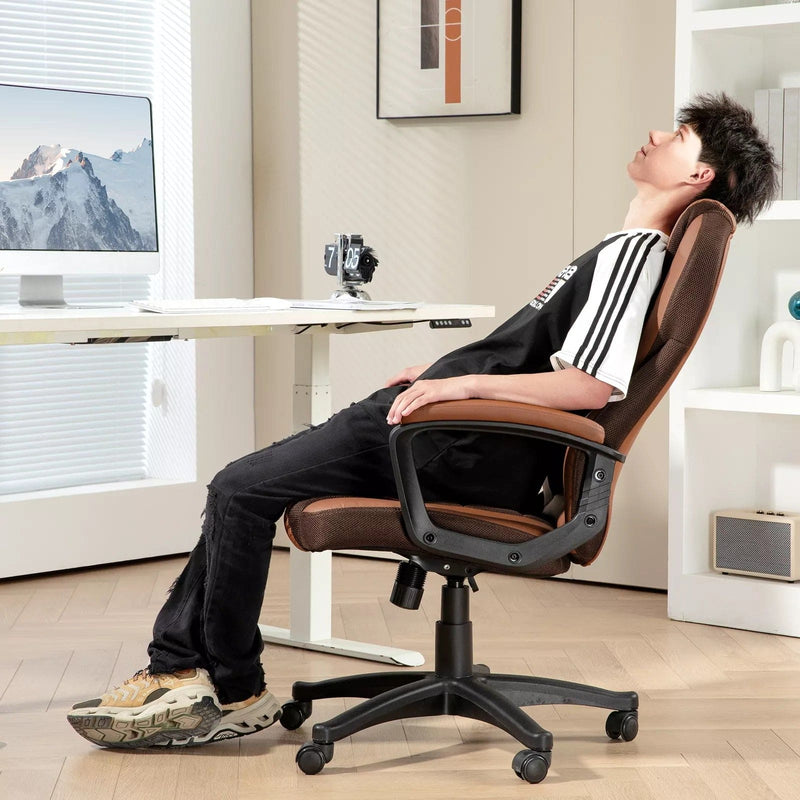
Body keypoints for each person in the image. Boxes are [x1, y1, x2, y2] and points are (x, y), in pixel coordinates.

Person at [67, 92, 779, 749]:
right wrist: (438, 374)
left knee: (238, 490)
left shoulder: (636, 256)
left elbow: (590, 386)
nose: (656, 134)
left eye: (678, 136)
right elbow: (533, 354)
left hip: (456, 445)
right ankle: (193, 675)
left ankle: (216, 685)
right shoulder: (621, 250)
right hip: (452, 432)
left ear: (699, 175)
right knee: (244, 490)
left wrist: (458, 385)